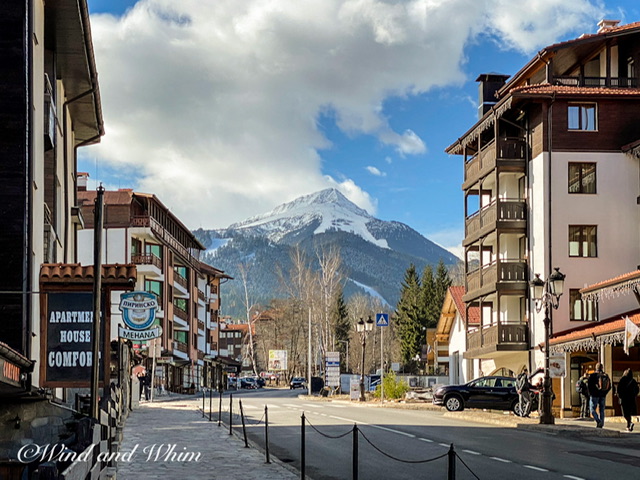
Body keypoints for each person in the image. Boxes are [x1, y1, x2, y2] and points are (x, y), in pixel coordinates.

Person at [587, 363, 612, 428]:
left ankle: (598, 421)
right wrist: (604, 393)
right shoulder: (605, 376)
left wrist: (590, 393)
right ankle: (602, 423)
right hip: (603, 395)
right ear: (602, 368)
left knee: (592, 409)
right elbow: (609, 386)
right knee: (602, 410)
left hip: (594, 395)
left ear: (596, 368)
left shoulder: (592, 375)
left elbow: (589, 385)